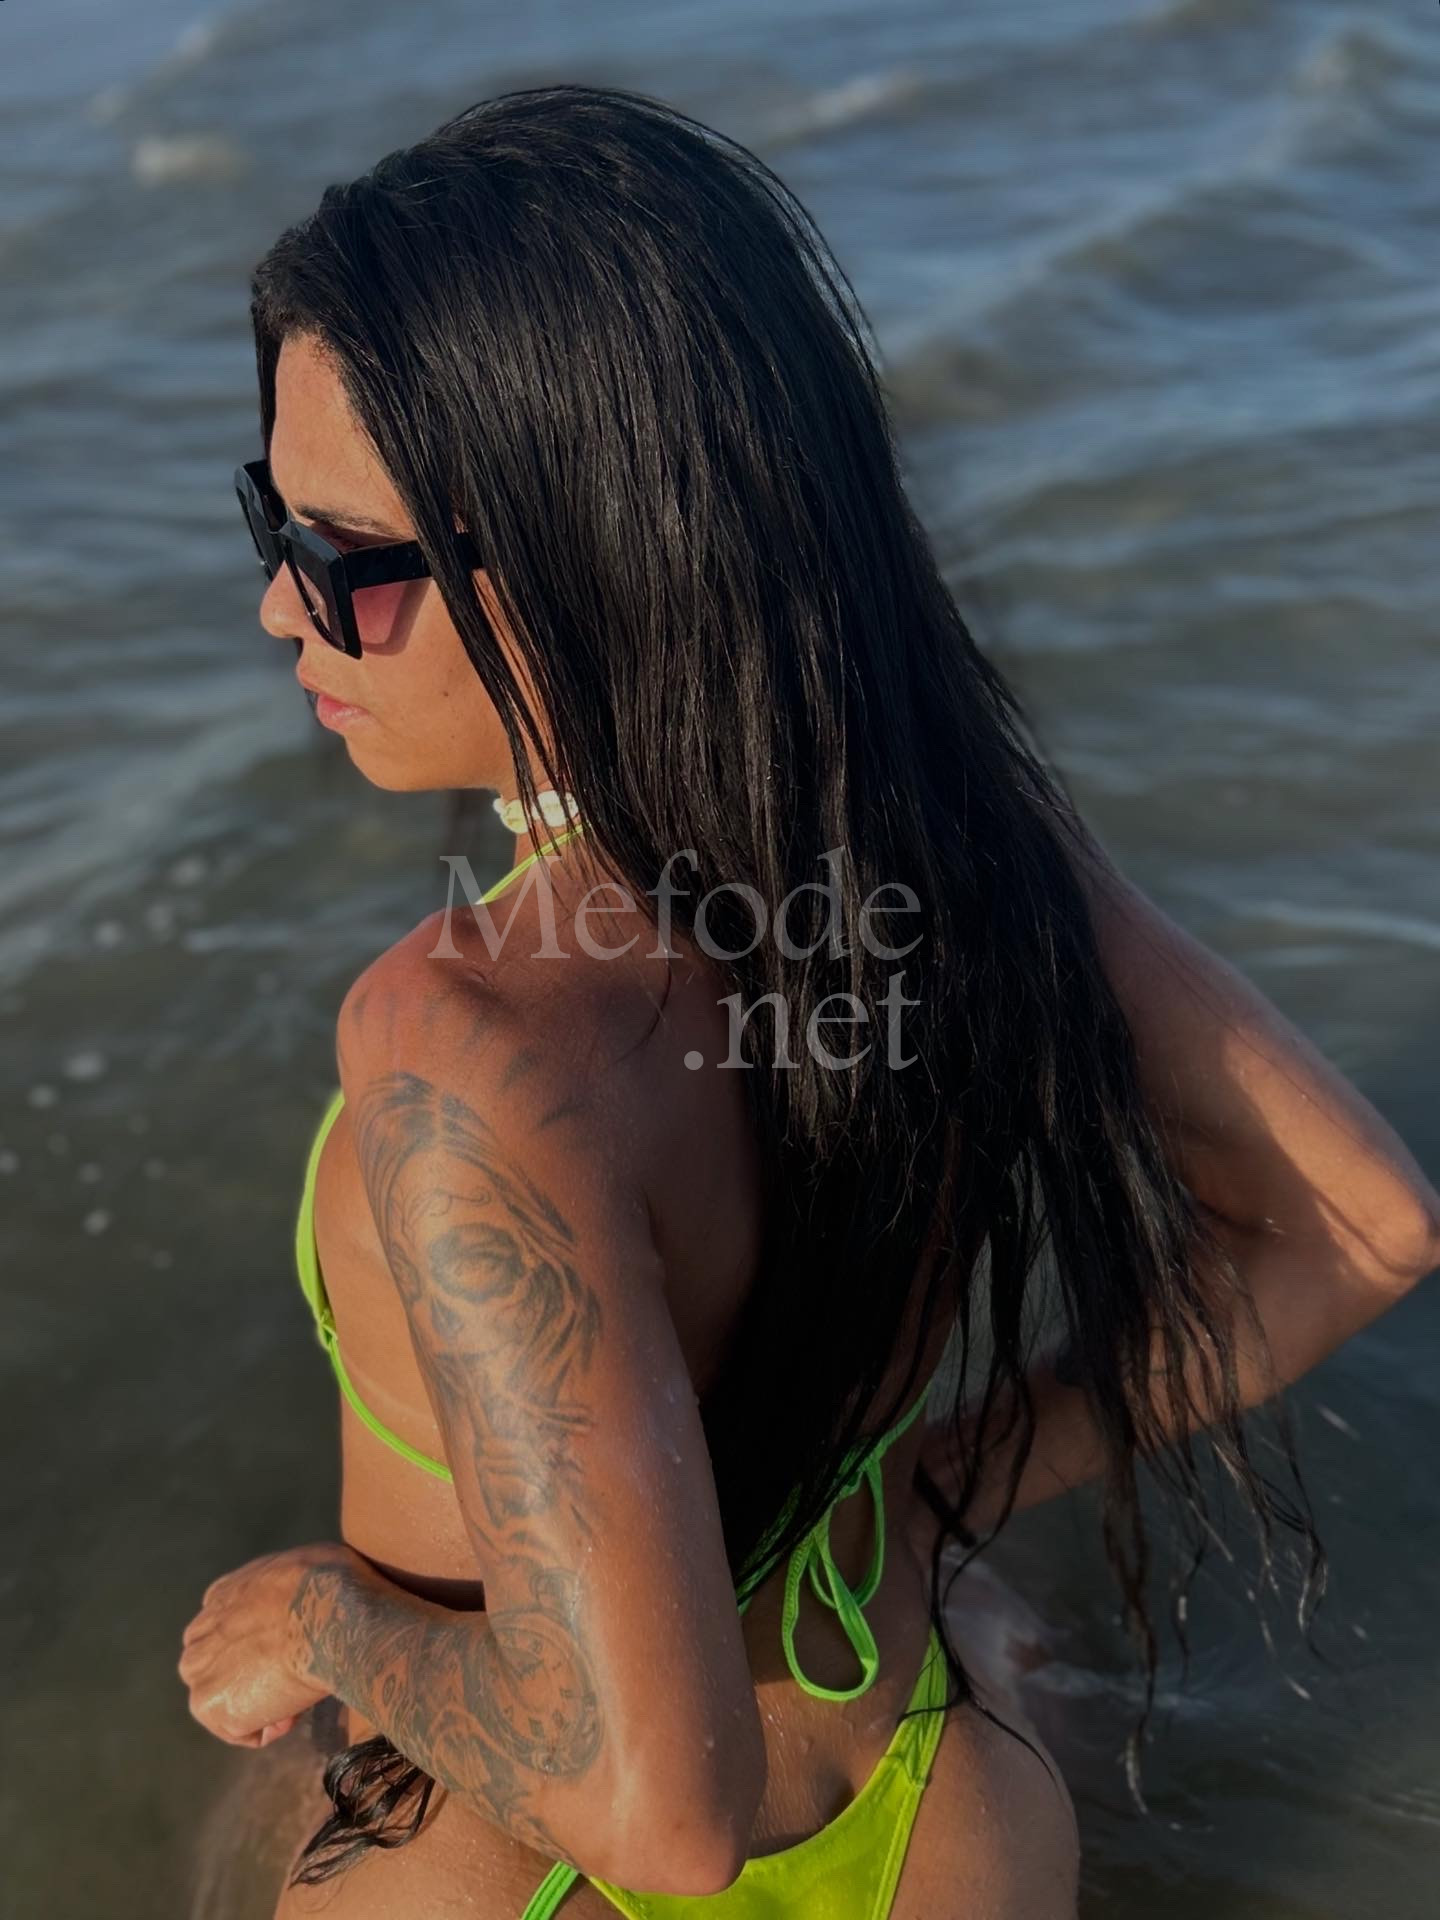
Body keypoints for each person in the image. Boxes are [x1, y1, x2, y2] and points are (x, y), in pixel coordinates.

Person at [176, 84, 1440, 1920]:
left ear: (584, 553)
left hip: (522, 1863)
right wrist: (942, 1477)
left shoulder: (464, 1038)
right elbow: (1364, 1226)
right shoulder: (956, 832)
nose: (278, 613)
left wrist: (323, 1621)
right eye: (266, 521)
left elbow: (652, 1813)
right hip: (939, 1803)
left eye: (339, 559)